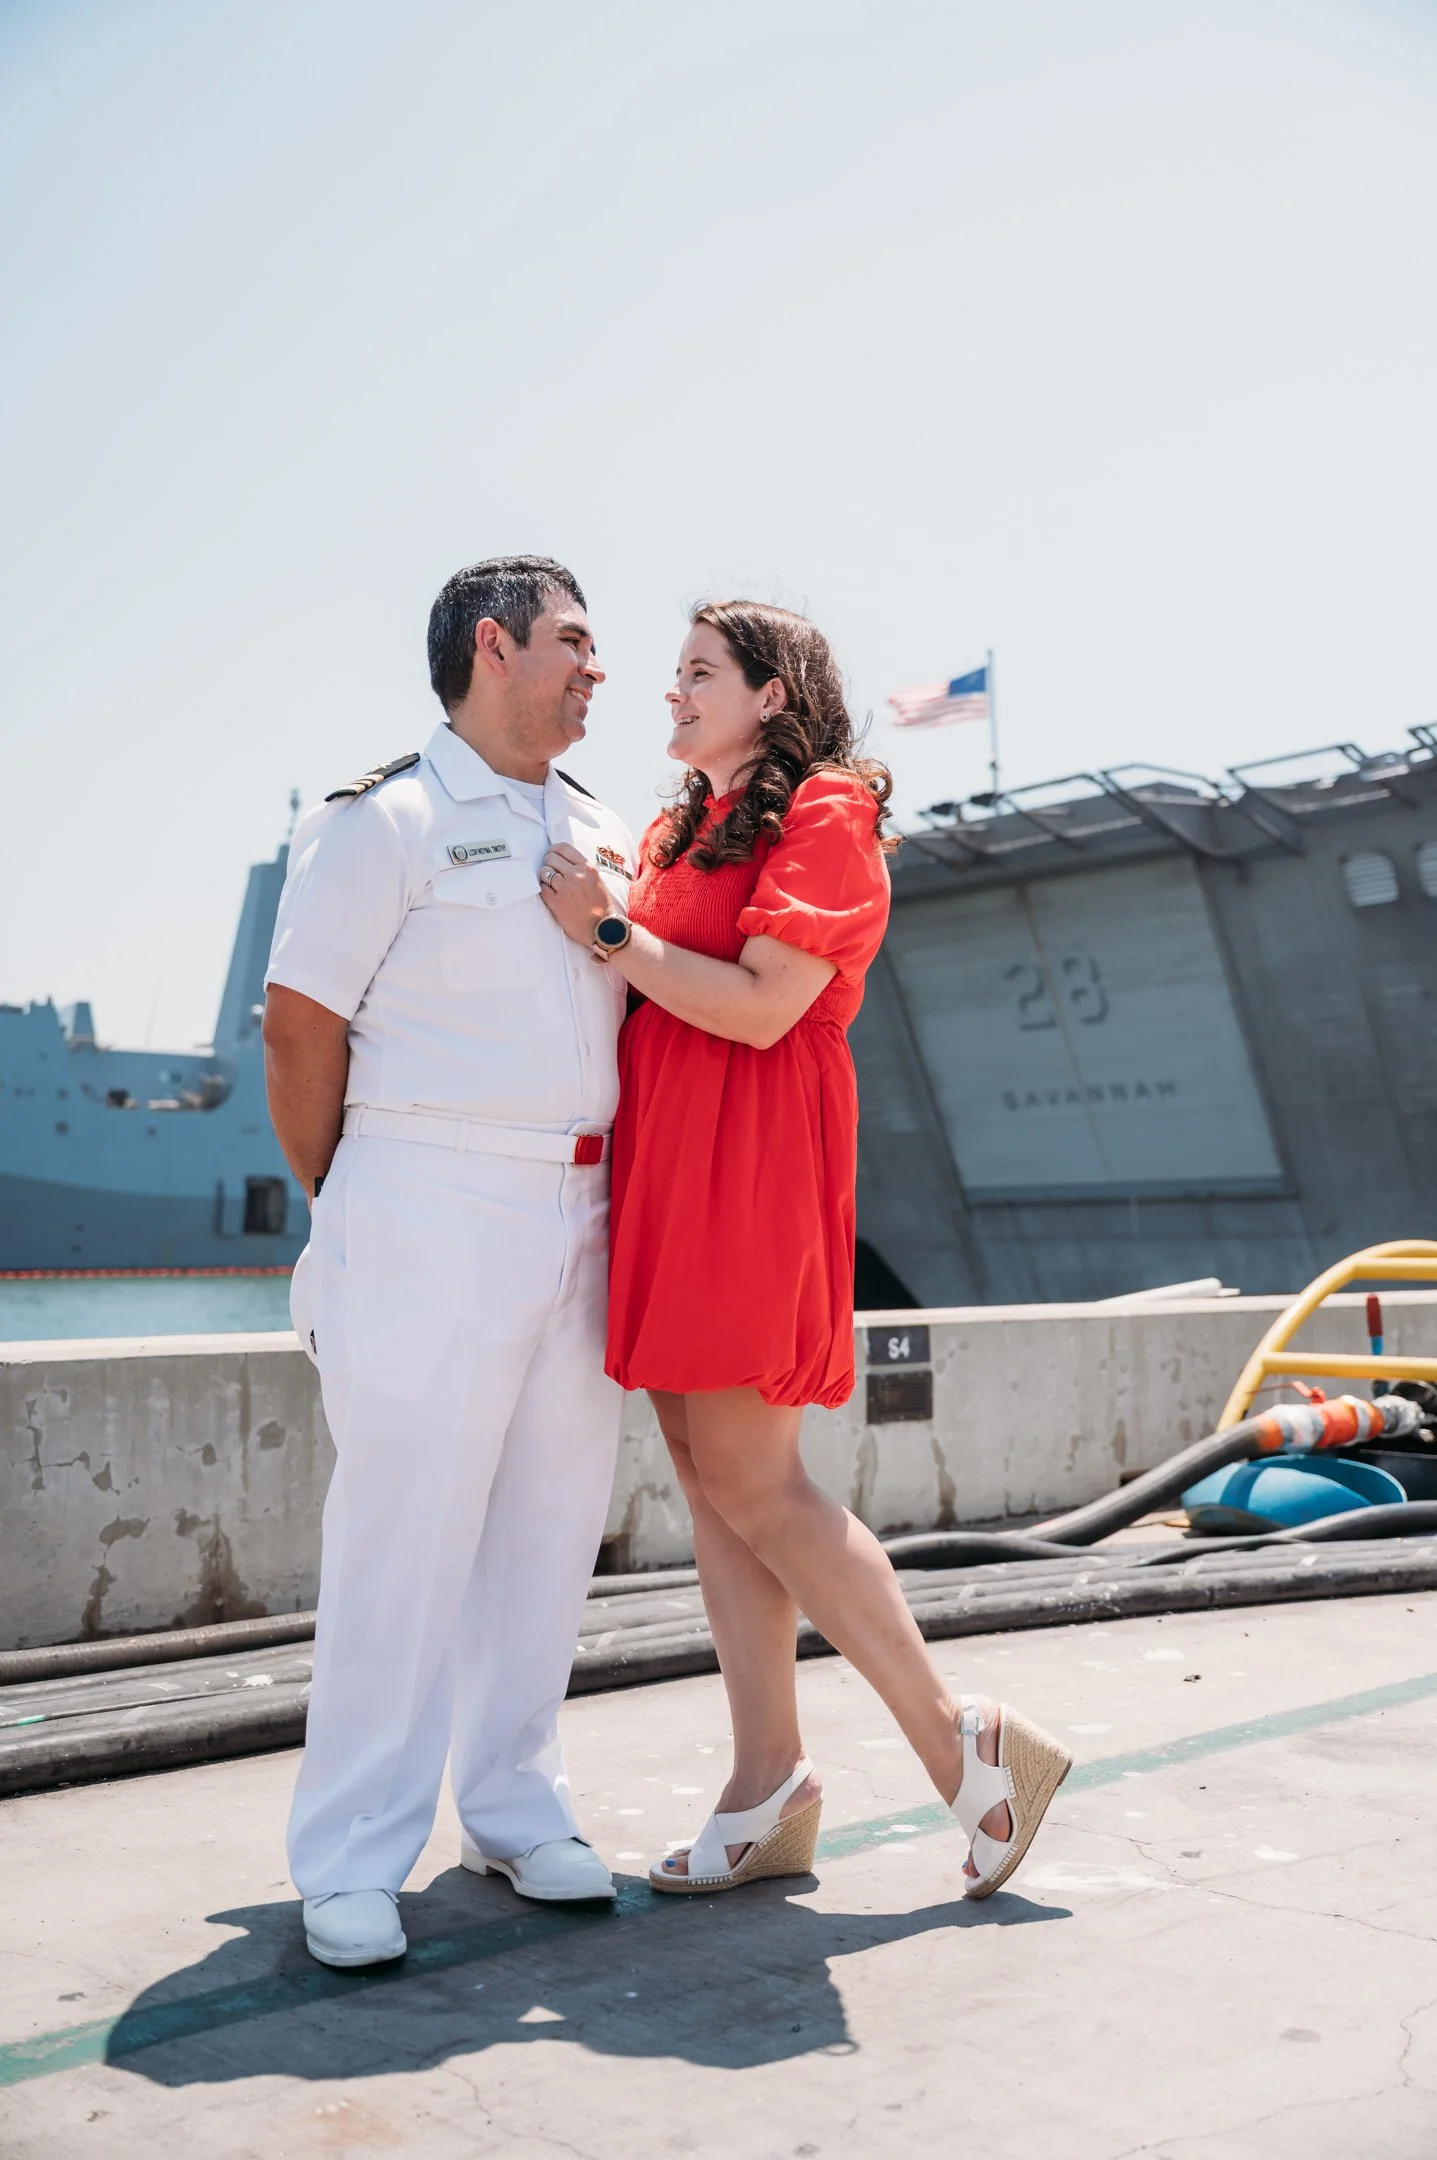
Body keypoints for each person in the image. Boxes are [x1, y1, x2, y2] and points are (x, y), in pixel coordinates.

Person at [537, 599, 1071, 1899]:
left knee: (754, 1475)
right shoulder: (677, 824)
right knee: (707, 1468)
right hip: (674, 1154)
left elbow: (771, 1006)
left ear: (773, 695)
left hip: (749, 1156)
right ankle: (766, 1782)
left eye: (699, 674)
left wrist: (609, 931)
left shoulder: (825, 810)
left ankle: (970, 1752)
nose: (670, 694)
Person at [262, 555, 640, 1969]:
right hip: (427, 1199)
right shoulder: (388, 821)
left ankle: (513, 1805)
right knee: (402, 1534)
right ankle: (354, 1854)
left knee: (548, 1527)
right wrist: (357, 1199)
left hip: (584, 1208)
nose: (599, 667)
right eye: (575, 642)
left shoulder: (607, 824)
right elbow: (301, 1034)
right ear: (495, 647)